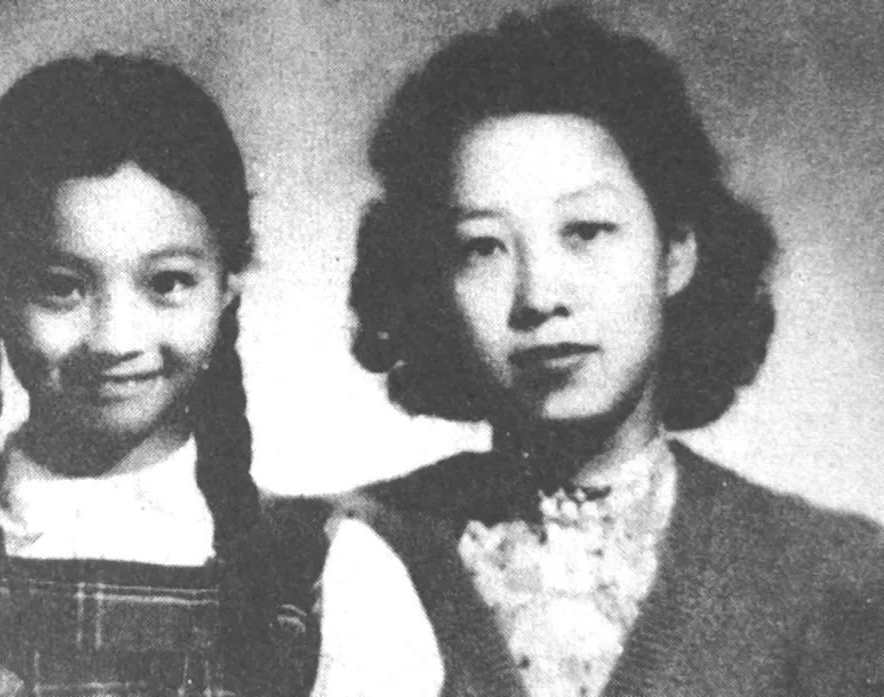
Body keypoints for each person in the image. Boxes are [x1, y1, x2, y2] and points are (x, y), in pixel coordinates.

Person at [310, 7, 884, 696]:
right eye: (483, 247)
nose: (539, 295)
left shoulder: (832, 579)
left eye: (585, 231)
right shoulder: (355, 545)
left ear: (675, 252)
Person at [0, 54, 314, 697]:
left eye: (167, 283)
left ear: (225, 292)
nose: (115, 340)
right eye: (61, 287)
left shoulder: (317, 573)